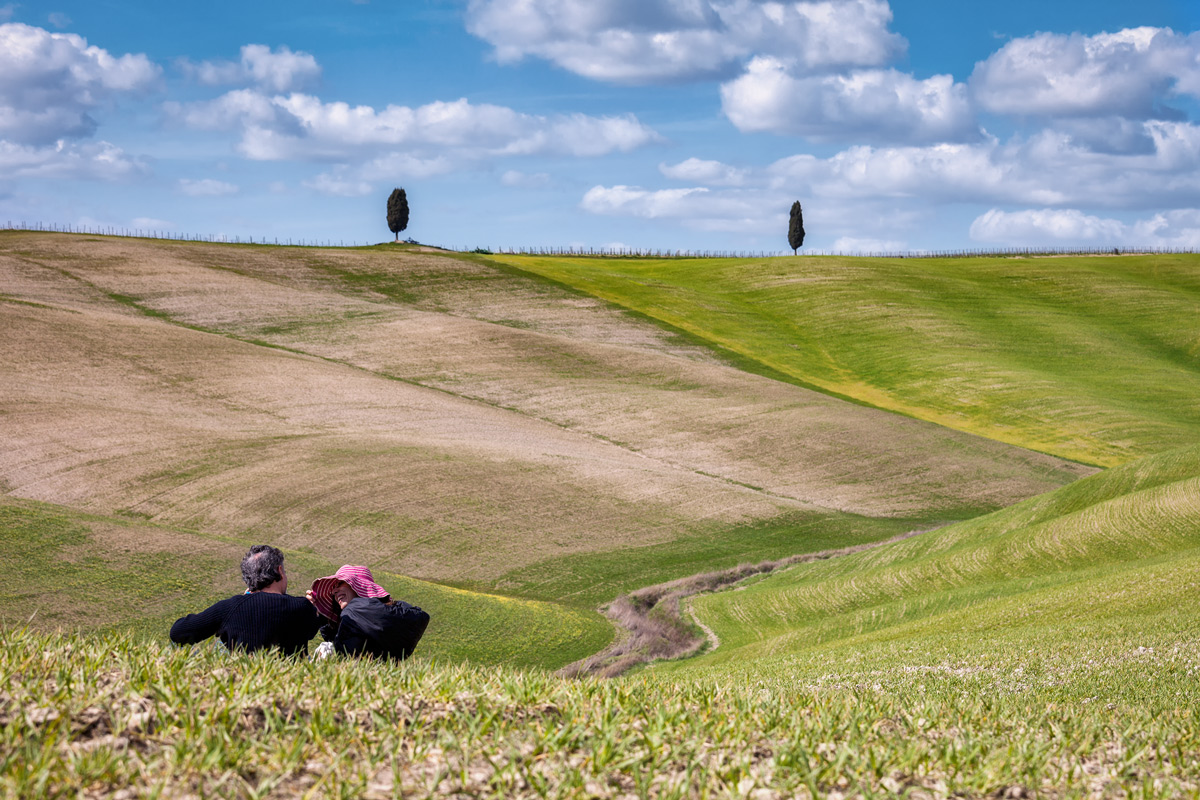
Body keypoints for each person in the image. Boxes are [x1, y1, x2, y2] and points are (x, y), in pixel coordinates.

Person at [170, 545, 324, 656]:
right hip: (290, 685)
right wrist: (313, 608)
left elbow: (178, 633)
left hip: (241, 681)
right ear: (279, 571)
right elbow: (310, 632)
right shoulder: (302, 607)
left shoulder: (230, 608)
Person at [306, 565, 429, 661]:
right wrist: (320, 616)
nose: (334, 591)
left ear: (359, 586)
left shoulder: (356, 611)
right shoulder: (365, 616)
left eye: (340, 583)